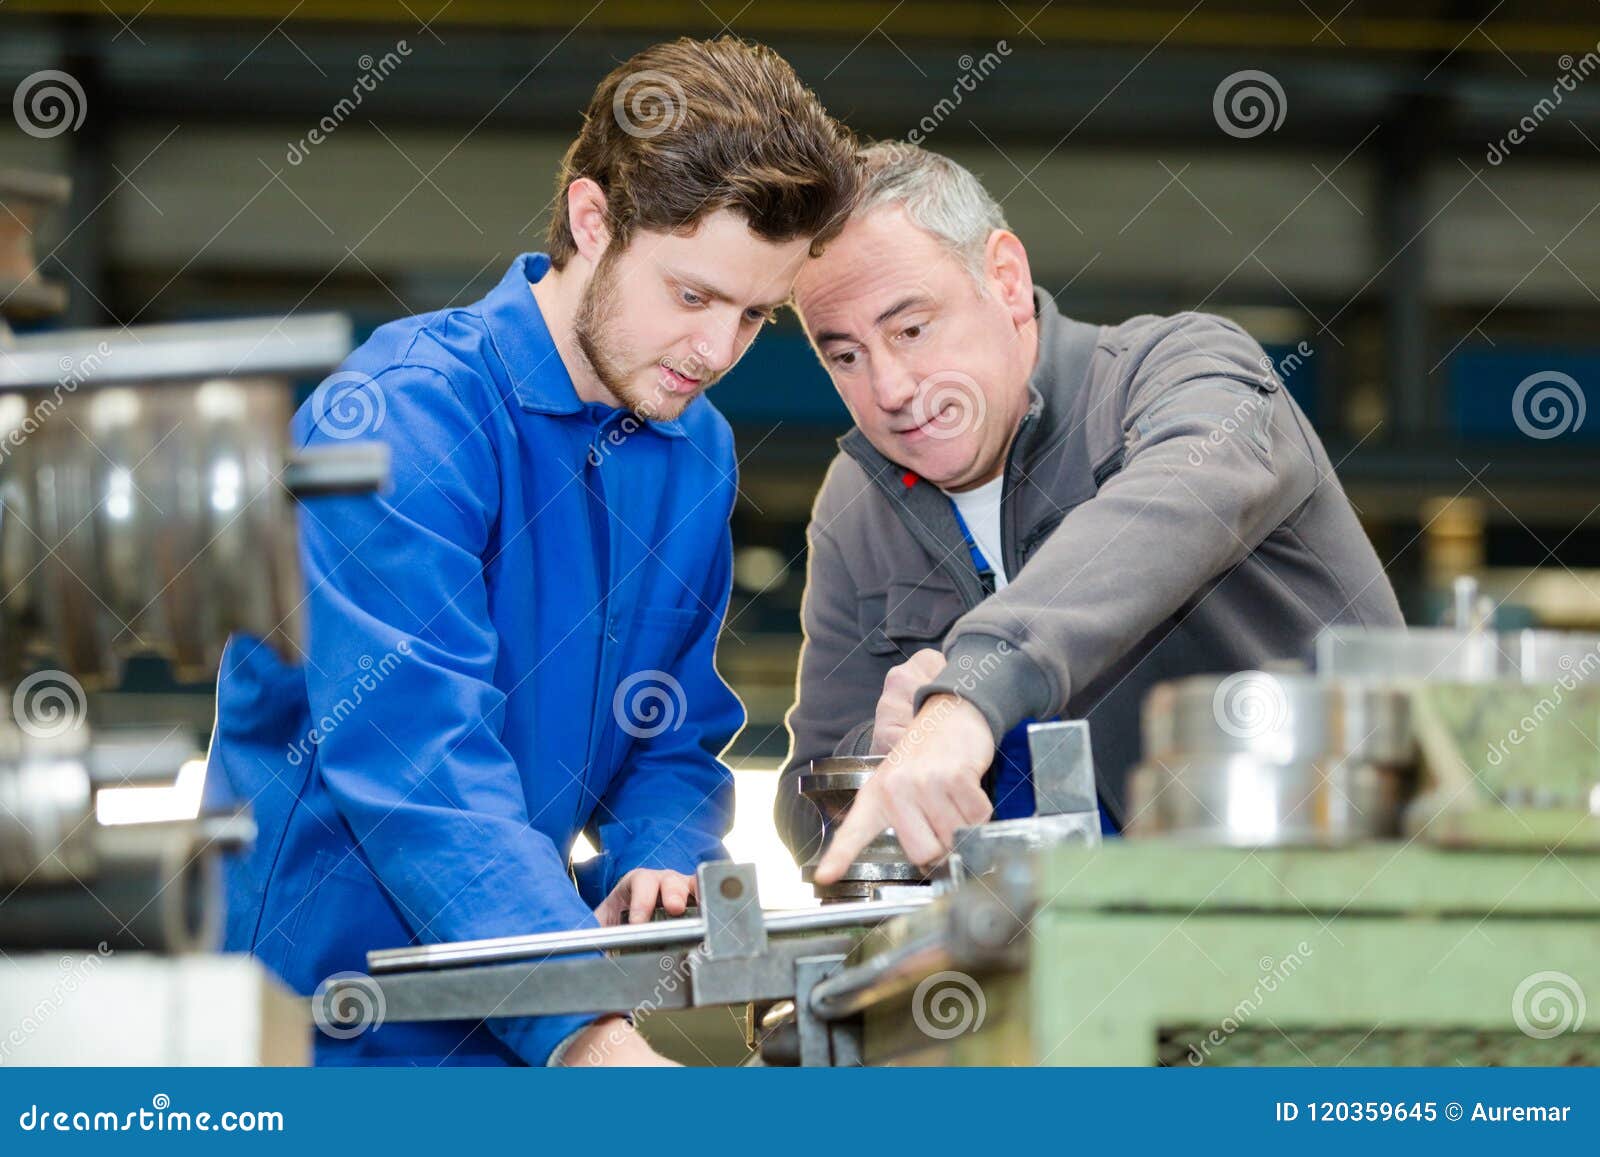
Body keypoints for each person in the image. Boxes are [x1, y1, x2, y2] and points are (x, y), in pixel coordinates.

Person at [208, 37, 857, 1067]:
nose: (716, 352)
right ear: (593, 220)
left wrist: (663, 851)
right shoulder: (397, 423)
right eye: (691, 296)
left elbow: (670, 728)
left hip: (510, 1019)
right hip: (314, 1036)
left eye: (754, 315)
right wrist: (586, 1035)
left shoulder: (691, 451)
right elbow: (423, 767)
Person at [776, 143, 1402, 882]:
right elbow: (805, 807)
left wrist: (969, 695)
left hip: (1337, 908)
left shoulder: (1185, 373)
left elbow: (1167, 507)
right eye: (844, 355)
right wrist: (877, 754)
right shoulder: (859, 505)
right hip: (1074, 959)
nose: (888, 387)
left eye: (911, 329)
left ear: (1005, 279)